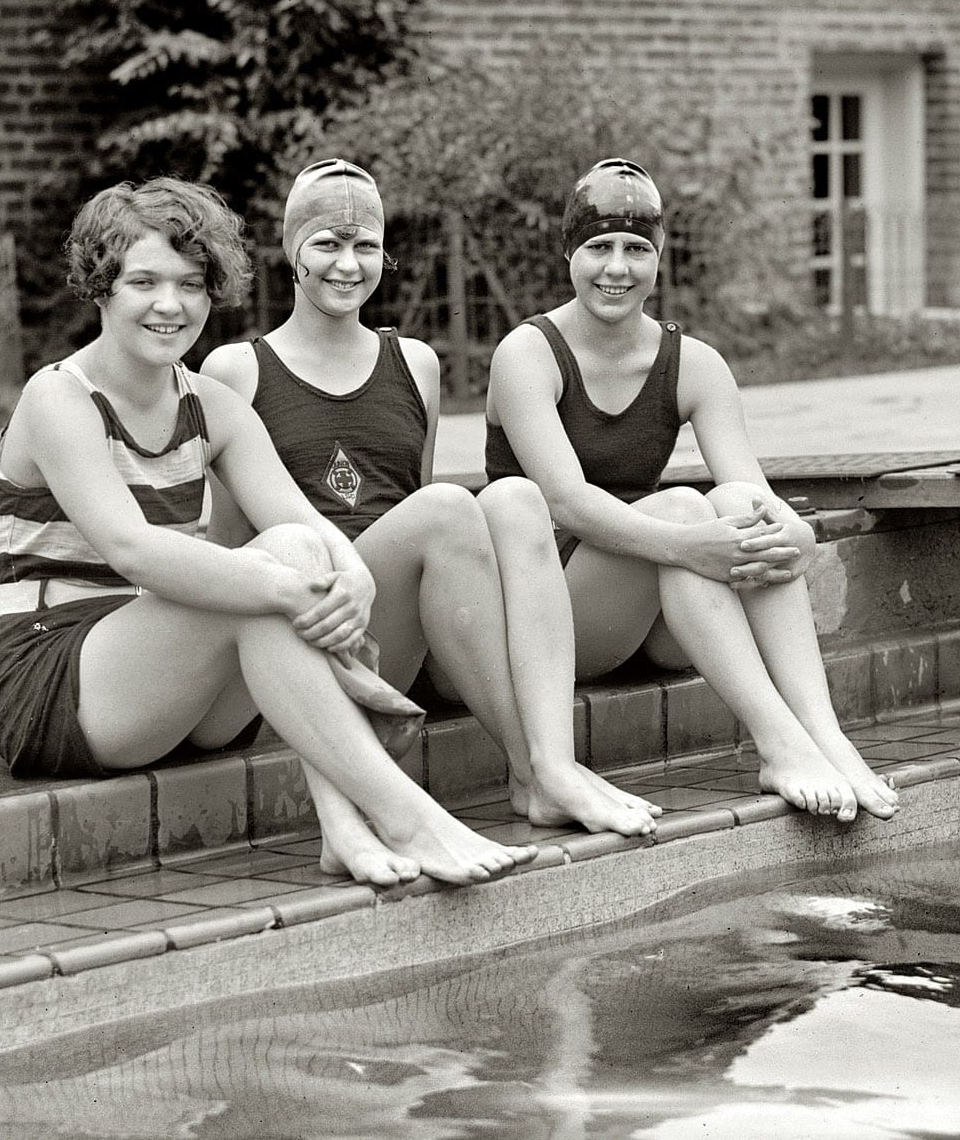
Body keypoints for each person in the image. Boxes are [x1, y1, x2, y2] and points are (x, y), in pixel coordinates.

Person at [0, 176, 535, 888]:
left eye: (190, 282)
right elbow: (131, 547)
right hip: (54, 679)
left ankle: (344, 828)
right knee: (273, 578)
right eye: (143, 281)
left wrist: (351, 574)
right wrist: (289, 584)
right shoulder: (59, 396)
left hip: (171, 684)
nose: (169, 304)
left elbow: (305, 526)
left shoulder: (212, 406)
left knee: (294, 555)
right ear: (101, 286)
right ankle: (401, 815)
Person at [202, 158, 661, 839]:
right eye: (327, 243)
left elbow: (405, 498)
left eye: (365, 246)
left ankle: (546, 765)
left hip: (404, 633)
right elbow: (235, 538)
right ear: (290, 252)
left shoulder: (416, 364)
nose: (347, 264)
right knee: (449, 507)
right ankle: (539, 768)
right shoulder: (237, 369)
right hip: (314, 626)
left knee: (513, 497)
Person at [485, 158, 898, 823]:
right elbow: (566, 503)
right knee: (685, 507)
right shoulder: (527, 355)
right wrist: (689, 541)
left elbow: (753, 493)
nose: (616, 268)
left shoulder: (695, 364)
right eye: (598, 247)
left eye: (636, 249)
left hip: (658, 614)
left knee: (738, 507)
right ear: (568, 253)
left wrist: (794, 531)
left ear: (660, 259)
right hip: (553, 621)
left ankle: (824, 733)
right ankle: (778, 739)